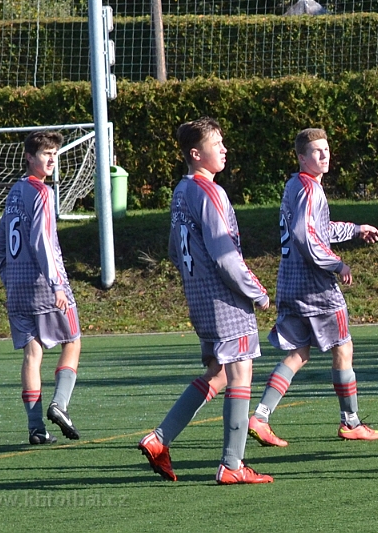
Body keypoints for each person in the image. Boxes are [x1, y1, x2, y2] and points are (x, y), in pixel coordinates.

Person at [138, 117, 273, 485]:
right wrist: (257, 292)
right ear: (196, 154)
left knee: (218, 373)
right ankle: (232, 465)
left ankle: (159, 438)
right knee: (241, 373)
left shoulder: (181, 190)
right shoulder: (210, 191)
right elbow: (225, 256)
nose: (224, 150)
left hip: (198, 298)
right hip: (224, 299)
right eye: (217, 144)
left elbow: (173, 249)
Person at [247, 128, 378, 448]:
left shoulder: (295, 184)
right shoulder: (310, 189)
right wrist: (336, 264)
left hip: (290, 281)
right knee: (343, 348)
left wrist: (355, 229)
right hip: (315, 286)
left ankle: (260, 417)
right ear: (301, 157)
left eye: (326, 149)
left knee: (299, 353)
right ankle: (350, 422)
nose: (324, 155)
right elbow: (307, 236)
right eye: (316, 151)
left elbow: (317, 229)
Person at [0, 130, 82, 445]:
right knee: (73, 341)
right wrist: (57, 285)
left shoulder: (14, 192)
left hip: (16, 288)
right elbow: (42, 241)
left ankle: (36, 428)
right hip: (44, 284)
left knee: (32, 354)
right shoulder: (42, 192)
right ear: (29, 157)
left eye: (54, 154)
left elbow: (1, 240)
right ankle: (60, 404)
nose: (51, 159)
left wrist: (7, 275)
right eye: (46, 153)